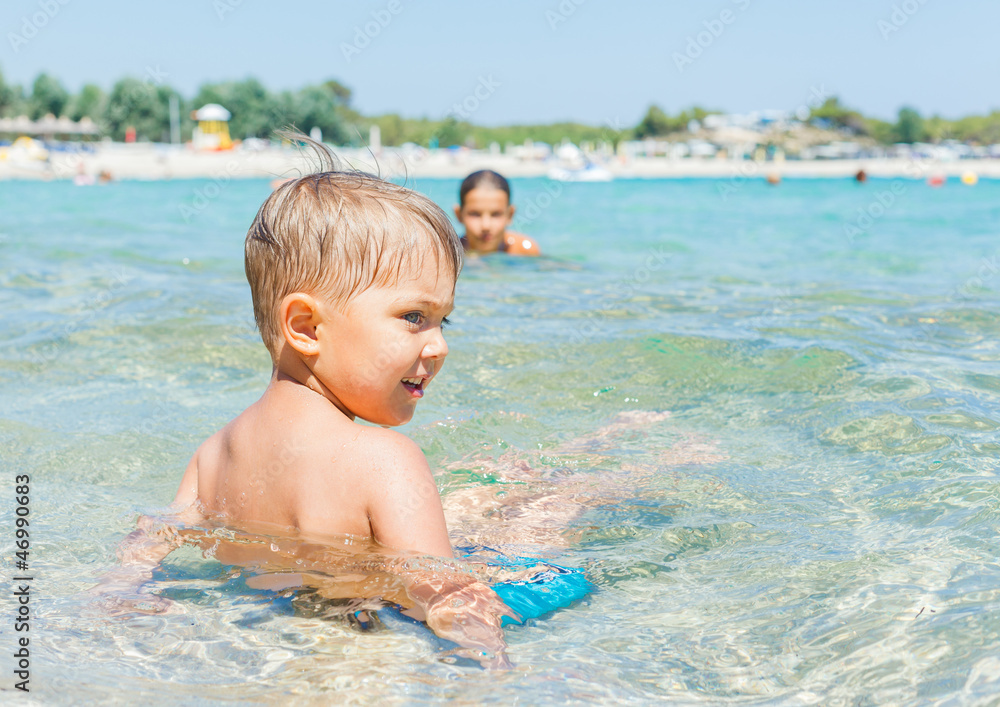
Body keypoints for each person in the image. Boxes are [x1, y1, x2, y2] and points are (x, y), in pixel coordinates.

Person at [95, 136, 518, 666]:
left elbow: (147, 541)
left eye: (442, 320)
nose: (439, 345)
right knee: (529, 504)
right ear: (306, 326)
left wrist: (119, 593)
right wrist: (497, 670)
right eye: (414, 317)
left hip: (252, 648)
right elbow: (449, 595)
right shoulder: (384, 460)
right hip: (364, 660)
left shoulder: (213, 454)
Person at [454, 170, 540, 256]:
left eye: (496, 214)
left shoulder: (525, 251)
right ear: (459, 215)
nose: (486, 226)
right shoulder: (450, 253)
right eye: (475, 214)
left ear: (510, 214)